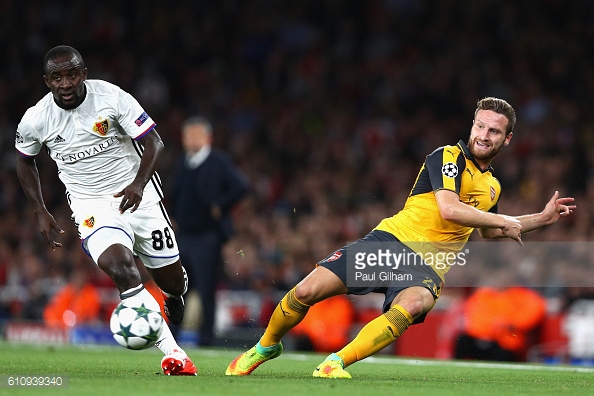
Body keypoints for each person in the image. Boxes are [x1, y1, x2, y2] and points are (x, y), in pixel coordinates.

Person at [225, 97, 576, 378]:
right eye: (480, 126)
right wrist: (505, 219)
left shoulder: (492, 186)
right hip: (389, 243)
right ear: (472, 125)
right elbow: (450, 209)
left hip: (429, 266)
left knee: (412, 305)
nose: (484, 135)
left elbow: (488, 229)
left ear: (507, 138)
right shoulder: (447, 157)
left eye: (495, 131)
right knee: (305, 292)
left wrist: (540, 219)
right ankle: (266, 346)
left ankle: (335, 364)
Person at [15, 45, 196, 375]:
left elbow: (154, 142)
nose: (66, 83)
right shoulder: (36, 119)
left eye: (72, 74)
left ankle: (172, 294)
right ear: (47, 81)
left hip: (138, 195)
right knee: (119, 266)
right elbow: (24, 162)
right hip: (91, 204)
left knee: (173, 281)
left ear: (83, 73)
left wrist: (139, 185)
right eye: (57, 77)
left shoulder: (112, 97)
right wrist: (40, 209)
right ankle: (174, 354)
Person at [170, 116, 249, 346]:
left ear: (208, 138)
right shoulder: (183, 161)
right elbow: (177, 193)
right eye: (187, 135)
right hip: (183, 235)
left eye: (195, 135)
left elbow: (241, 186)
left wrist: (220, 205)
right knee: (177, 287)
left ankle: (207, 339)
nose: (190, 139)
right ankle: (172, 336)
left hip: (207, 236)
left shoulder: (218, 161)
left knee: (205, 289)